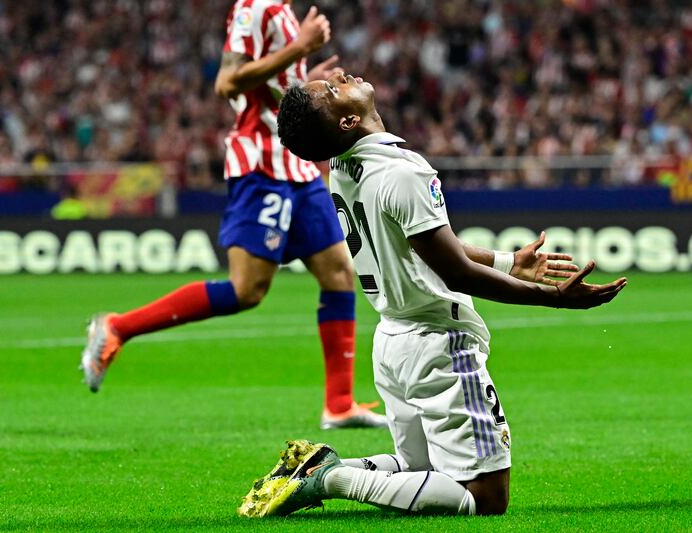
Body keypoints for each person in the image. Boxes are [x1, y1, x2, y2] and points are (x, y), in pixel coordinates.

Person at [237, 72, 627, 517]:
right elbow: (456, 271)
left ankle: (316, 470)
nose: (341, 78)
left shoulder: (344, 166)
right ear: (346, 121)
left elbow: (427, 246)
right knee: (485, 497)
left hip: (393, 341)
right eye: (331, 90)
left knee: (416, 467)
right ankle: (333, 477)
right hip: (439, 342)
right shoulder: (402, 172)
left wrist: (507, 262)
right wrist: (556, 298)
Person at [79, 2, 386, 430]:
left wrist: (304, 79)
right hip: (262, 165)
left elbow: (268, 82)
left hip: (295, 165)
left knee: (338, 273)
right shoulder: (254, 8)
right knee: (246, 291)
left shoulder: (281, 9)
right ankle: (117, 327)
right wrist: (298, 47)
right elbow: (228, 83)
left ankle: (338, 404)